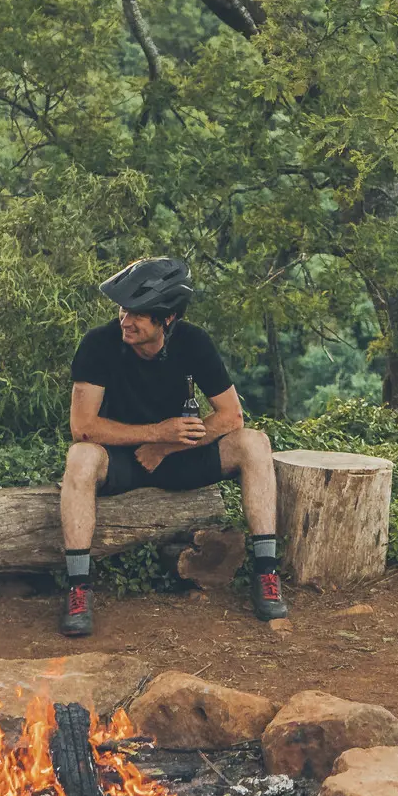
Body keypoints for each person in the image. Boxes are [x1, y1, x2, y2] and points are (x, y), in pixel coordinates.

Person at [60, 255, 281, 637]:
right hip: (123, 459)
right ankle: (79, 587)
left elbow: (231, 417)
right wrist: (156, 433)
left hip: (180, 456)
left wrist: (166, 446)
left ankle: (267, 572)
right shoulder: (99, 344)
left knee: (254, 443)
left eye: (138, 315)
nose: (125, 321)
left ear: (167, 320)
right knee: (80, 457)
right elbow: (83, 427)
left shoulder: (193, 342)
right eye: (123, 310)